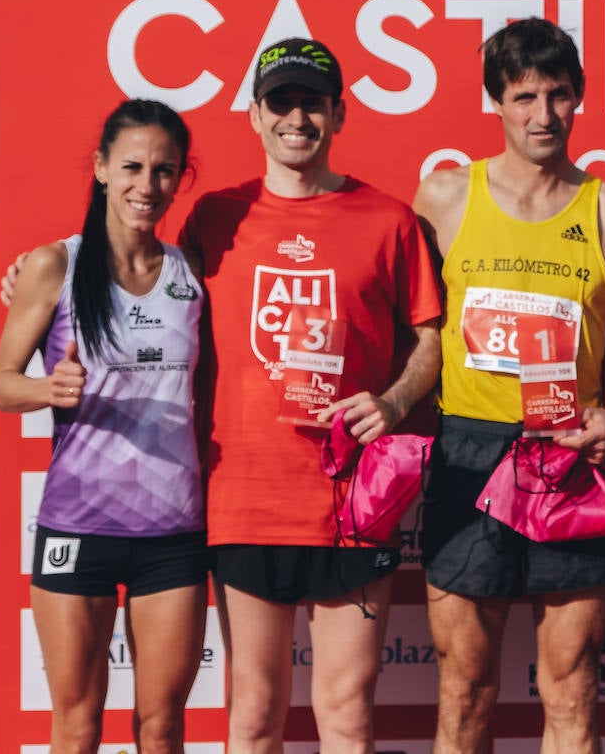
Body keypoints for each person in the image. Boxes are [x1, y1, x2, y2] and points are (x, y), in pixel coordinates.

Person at [184, 37, 443, 751]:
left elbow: (432, 337)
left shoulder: (388, 219)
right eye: (281, 102)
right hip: (245, 496)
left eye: (313, 103)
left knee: (349, 718)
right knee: (255, 718)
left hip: (351, 501)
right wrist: (46, 277)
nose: (296, 118)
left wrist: (391, 403)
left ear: (339, 113)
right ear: (254, 115)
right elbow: (142, 285)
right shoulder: (214, 217)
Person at [412, 17, 605, 754]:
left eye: (557, 95)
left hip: (570, 456)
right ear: (495, 102)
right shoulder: (444, 199)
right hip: (467, 452)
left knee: (572, 685)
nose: (542, 115)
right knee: (464, 688)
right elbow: (414, 338)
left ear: (579, 97)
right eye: (522, 97)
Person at [0, 100, 208, 754]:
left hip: (174, 531)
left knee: (162, 727)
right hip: (78, 523)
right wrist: (46, 388)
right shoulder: (53, 264)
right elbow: (1, 382)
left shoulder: (191, 271)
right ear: (102, 168)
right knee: (78, 725)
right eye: (133, 167)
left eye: (166, 171)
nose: (148, 185)